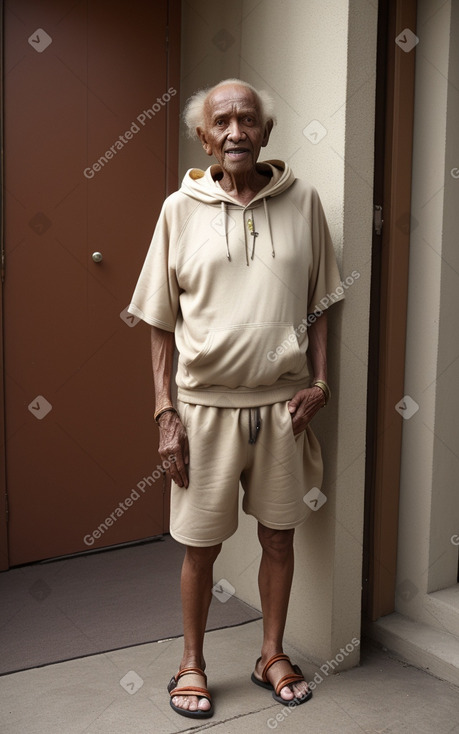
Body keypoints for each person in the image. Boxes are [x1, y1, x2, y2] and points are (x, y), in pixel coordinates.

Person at [128, 78, 344, 720]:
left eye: (247, 120)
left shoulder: (303, 202)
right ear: (204, 136)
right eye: (221, 122)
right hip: (202, 410)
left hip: (284, 406)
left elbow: (323, 304)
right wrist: (166, 413)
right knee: (201, 545)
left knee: (279, 537)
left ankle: (269, 654)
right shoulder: (178, 208)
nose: (235, 133)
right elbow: (159, 322)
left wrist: (321, 384)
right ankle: (191, 662)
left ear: (266, 132)